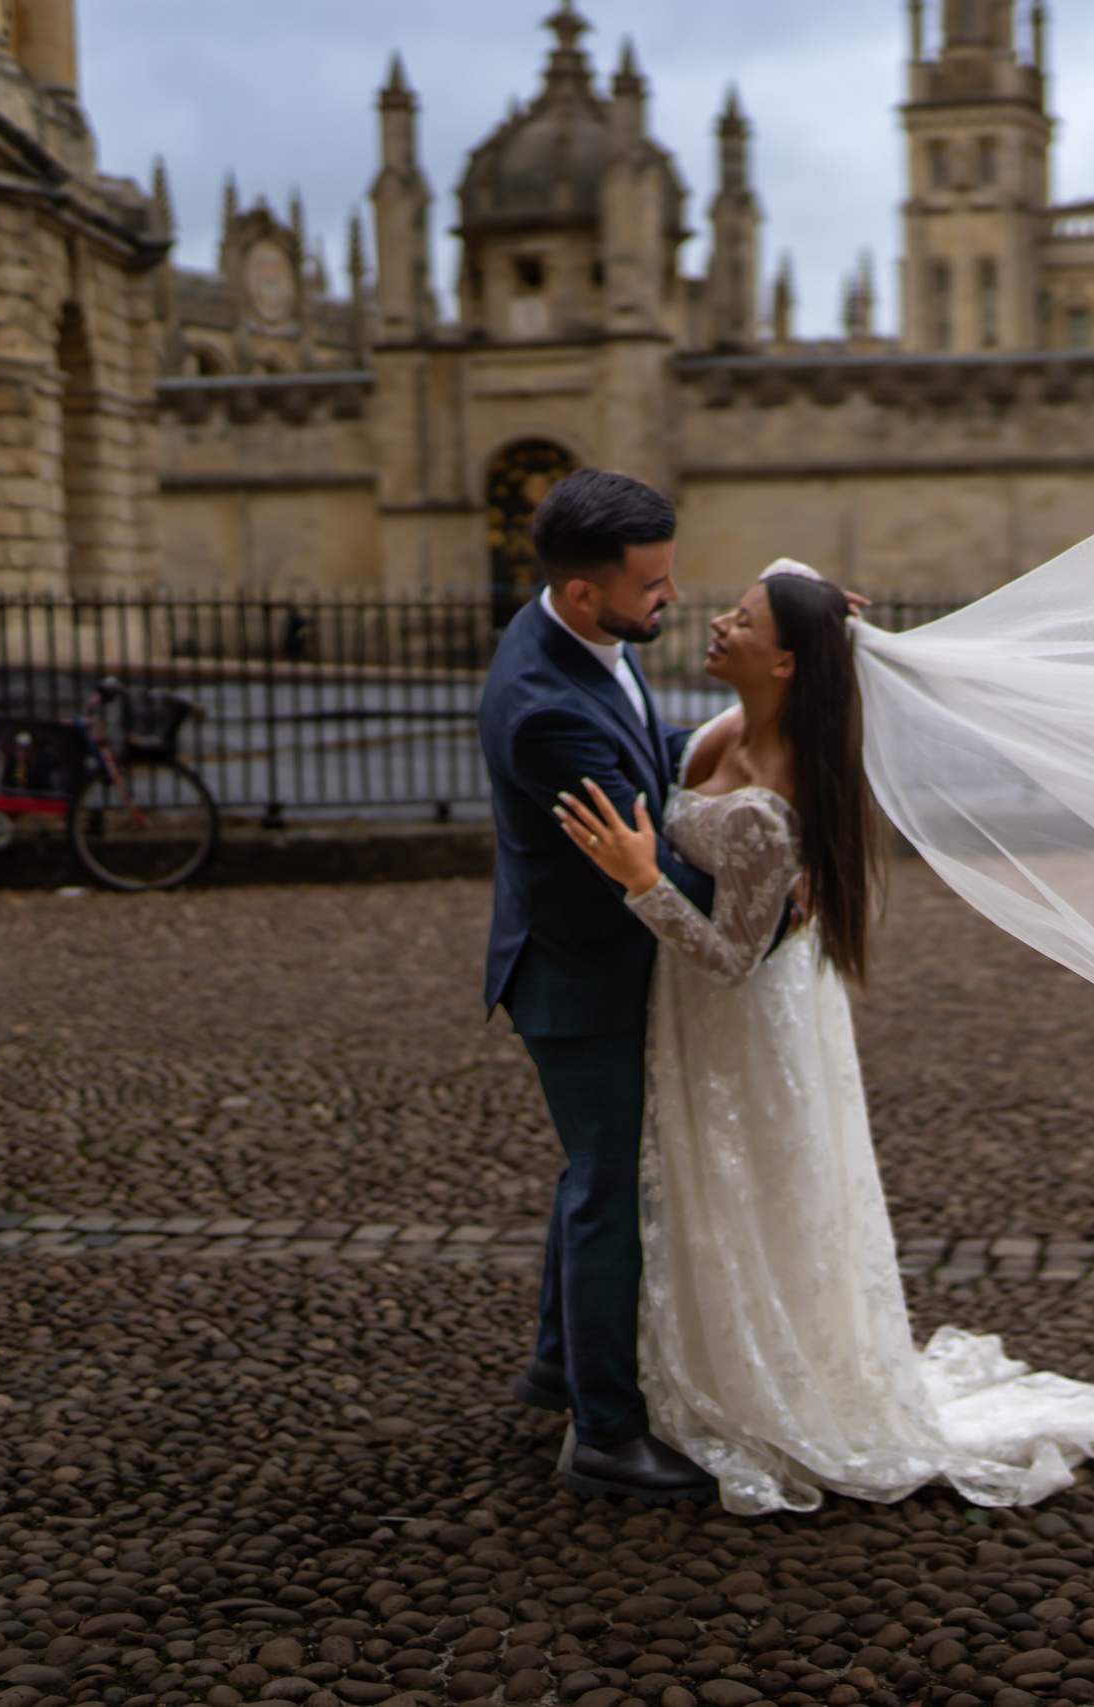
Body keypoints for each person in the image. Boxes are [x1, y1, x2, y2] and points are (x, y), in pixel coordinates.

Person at [553, 560, 1094, 1513]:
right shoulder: (736, 724)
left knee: (746, 1182)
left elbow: (731, 956)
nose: (719, 619)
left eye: (746, 618)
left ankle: (759, 1373)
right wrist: (817, 599)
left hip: (739, 1019)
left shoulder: (771, 805)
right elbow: (790, 590)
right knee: (701, 1183)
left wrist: (641, 877)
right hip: (711, 1011)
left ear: (789, 665)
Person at [475, 469, 724, 1506]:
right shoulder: (542, 711)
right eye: (652, 584)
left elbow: (653, 760)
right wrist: (780, 859)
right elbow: (646, 856)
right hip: (579, 980)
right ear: (585, 592)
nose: (669, 597)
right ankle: (606, 1435)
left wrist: (753, 723)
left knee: (593, 1174)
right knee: (608, 1193)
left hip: (589, 961)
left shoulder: (583, 642)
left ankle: (553, 1364)